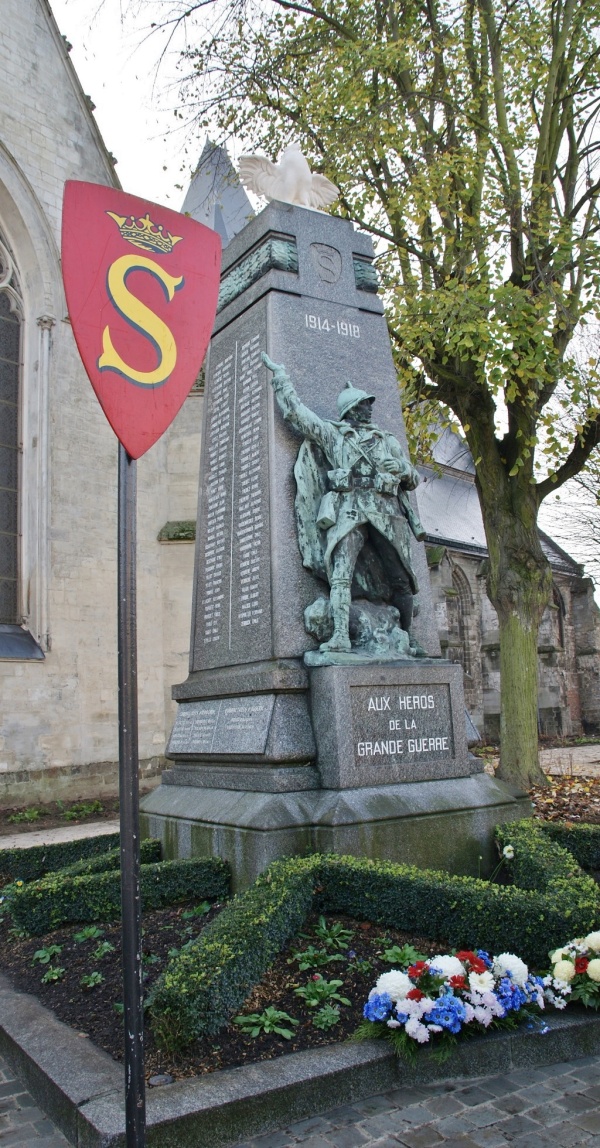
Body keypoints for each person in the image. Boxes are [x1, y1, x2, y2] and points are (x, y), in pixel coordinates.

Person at [262, 353, 425, 653]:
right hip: (349, 509)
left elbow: (412, 478)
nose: (370, 408)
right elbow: (299, 416)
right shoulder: (334, 435)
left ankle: (409, 637)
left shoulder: (387, 440)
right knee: (341, 575)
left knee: (401, 578)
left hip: (387, 510)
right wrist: (282, 380)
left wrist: (399, 469)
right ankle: (340, 635)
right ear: (352, 409)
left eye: (369, 403)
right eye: (364, 404)